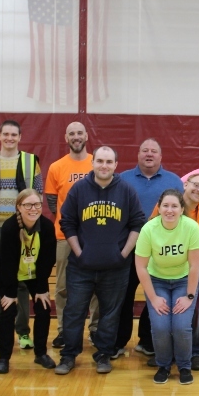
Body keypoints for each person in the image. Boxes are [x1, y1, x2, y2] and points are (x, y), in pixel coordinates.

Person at [54, 146, 146, 375]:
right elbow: (67, 223)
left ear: (116, 165)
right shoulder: (79, 190)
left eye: (109, 161)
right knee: (74, 312)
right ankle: (69, 355)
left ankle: (103, 354)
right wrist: (79, 252)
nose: (104, 165)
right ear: (93, 163)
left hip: (115, 268)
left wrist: (123, 254)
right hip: (81, 267)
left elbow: (137, 223)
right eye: (100, 161)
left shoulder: (126, 190)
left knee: (110, 313)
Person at [0, 119, 43, 351]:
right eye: (6, 134)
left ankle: (23, 332)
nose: (9, 138)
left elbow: (38, 193)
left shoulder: (30, 161)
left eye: (14, 134)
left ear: (19, 137)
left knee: (22, 280)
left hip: (20, 229)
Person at [115, 139, 184, 357]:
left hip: (159, 251)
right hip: (128, 248)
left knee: (154, 296)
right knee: (123, 297)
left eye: (154, 151)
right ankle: (118, 342)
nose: (149, 154)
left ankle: (147, 340)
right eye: (144, 150)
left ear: (161, 157)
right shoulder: (122, 179)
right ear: (138, 154)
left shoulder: (174, 181)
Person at [142, 173, 199, 371]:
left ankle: (196, 353)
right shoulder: (166, 205)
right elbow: (150, 230)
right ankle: (159, 351)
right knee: (157, 310)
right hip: (159, 270)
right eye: (196, 185)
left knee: (198, 311)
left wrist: (195, 259)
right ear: (186, 184)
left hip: (187, 272)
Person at [135, 189, 199, 385]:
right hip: (157, 281)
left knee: (181, 326)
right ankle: (163, 365)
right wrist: (154, 298)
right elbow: (140, 266)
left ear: (182, 209)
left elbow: (194, 266)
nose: (169, 210)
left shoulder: (191, 227)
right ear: (159, 207)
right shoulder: (149, 229)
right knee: (160, 326)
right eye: (165, 205)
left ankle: (184, 366)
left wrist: (190, 296)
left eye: (174, 206)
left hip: (184, 280)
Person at [0, 189, 57, 374]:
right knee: (8, 309)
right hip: (10, 274)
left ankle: (41, 354)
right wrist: (10, 294)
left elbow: (47, 260)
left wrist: (41, 288)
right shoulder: (9, 227)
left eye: (37, 204)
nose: (33, 209)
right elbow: (7, 262)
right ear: (19, 207)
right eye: (28, 205)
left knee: (43, 308)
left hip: (35, 275)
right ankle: (3, 358)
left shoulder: (46, 226)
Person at [44, 121, 93, 348]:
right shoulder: (56, 167)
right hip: (64, 236)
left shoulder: (97, 162)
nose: (76, 137)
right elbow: (53, 203)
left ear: (86, 136)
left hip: (94, 236)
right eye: (71, 133)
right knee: (63, 286)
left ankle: (95, 331)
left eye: (79, 133)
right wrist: (70, 225)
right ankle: (64, 331)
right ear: (66, 138)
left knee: (96, 287)